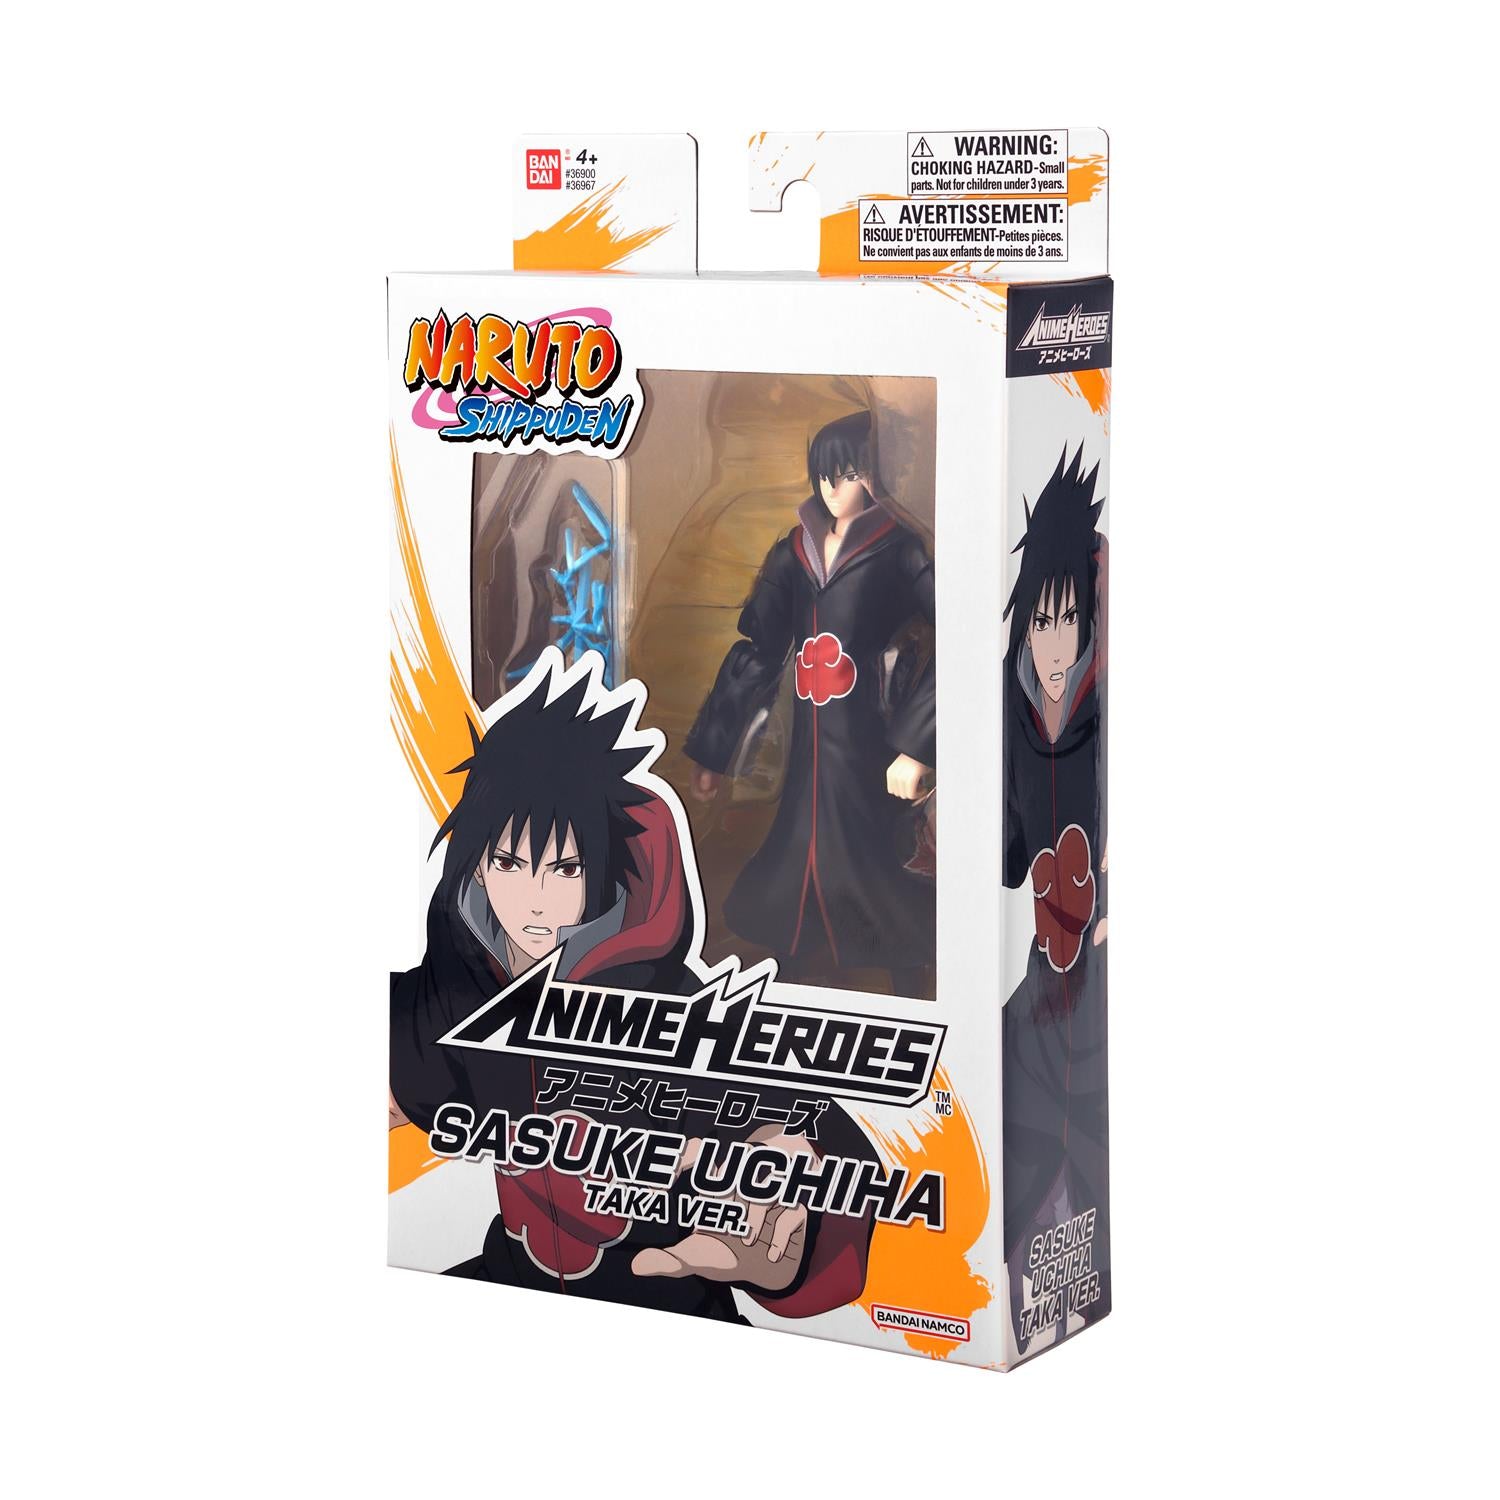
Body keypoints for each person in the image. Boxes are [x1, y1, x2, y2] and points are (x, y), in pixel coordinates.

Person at [390, 651, 877, 1321]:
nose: (534, 900)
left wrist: (796, 1211)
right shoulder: (463, 982)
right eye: (508, 863)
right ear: (476, 866)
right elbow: (405, 1047)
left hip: (670, 1306)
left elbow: (805, 1125)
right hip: (508, 1288)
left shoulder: (669, 1006)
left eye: (565, 870)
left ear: (605, 873)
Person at [685, 410, 936, 994]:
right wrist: (715, 750)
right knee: (798, 861)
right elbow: (760, 648)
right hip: (808, 755)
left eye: (846, 474)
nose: (832, 488)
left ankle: (910, 980)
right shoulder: (792, 553)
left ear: (873, 475)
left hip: (871, 747)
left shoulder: (900, 551)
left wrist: (917, 746)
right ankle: (788, 978)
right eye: (824, 475)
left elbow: (962, 633)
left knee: (877, 869)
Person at [999, 444, 1110, 1352]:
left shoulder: (1103, 712)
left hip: (1095, 960)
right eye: (1042, 621)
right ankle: (1030, 1269)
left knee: (1087, 1103)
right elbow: (1008, 834)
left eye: (1070, 620)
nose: (1056, 643)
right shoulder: (1017, 711)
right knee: (1025, 1096)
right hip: (1036, 954)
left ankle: (1076, 1264)